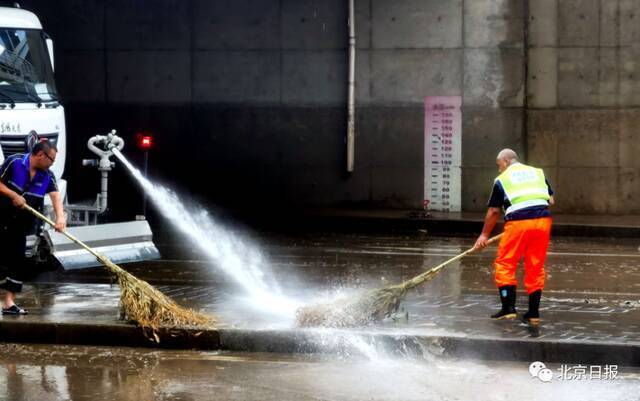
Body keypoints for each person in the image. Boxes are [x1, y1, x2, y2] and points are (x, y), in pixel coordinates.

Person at [473, 149, 554, 326]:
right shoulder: (537, 173)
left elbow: (494, 211)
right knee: (535, 266)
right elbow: (550, 200)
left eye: (499, 165)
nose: (499, 169)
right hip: (543, 222)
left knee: (505, 263)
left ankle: (508, 308)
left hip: (518, 223)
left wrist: (484, 234)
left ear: (506, 161)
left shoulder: (502, 179)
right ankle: (533, 313)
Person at [0, 139, 66, 314]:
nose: (52, 163)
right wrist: (13, 195)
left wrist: (60, 217)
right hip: (1, 217)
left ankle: (8, 303)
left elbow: (55, 196)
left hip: (20, 224)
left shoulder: (47, 175)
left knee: (17, 262)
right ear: (40, 155)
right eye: (51, 159)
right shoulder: (14, 162)